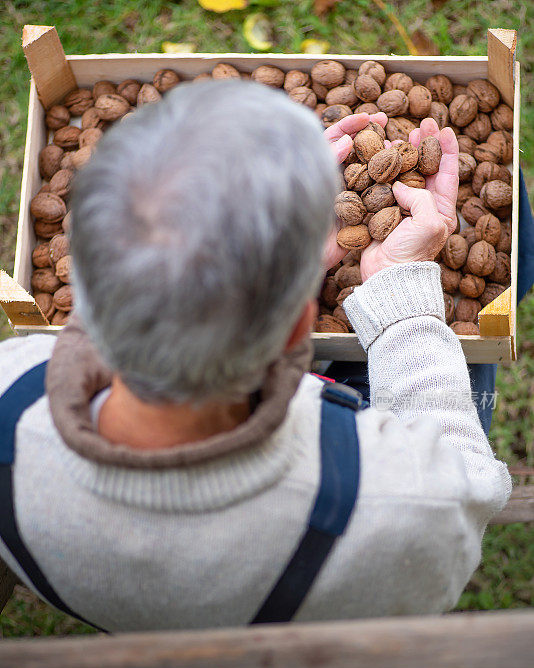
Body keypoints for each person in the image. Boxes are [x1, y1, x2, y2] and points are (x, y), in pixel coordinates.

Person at [0, 80, 514, 632]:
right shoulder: (393, 500)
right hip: (297, 600)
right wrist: (402, 304)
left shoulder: (12, 386)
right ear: (302, 320)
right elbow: (470, 492)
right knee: (460, 345)